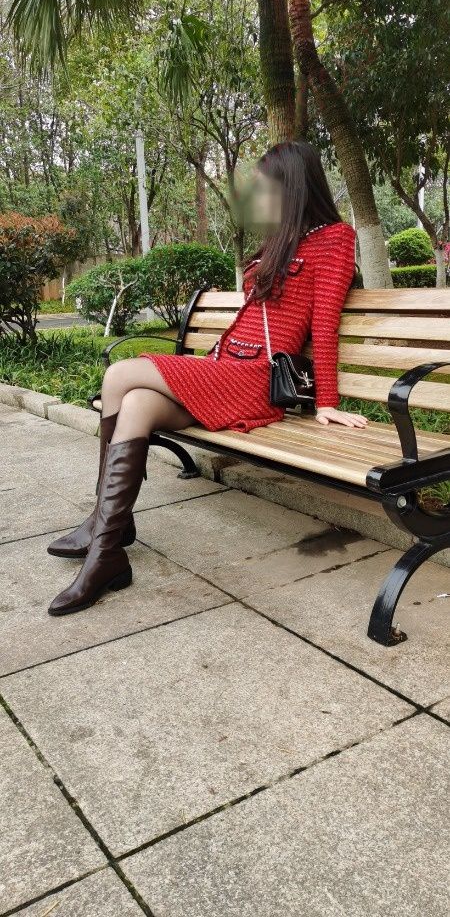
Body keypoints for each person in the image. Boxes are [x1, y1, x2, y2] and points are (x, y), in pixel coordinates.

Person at [47, 140, 368, 616]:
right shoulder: (278, 240)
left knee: (119, 374)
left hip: (256, 379)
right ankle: (109, 549)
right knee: (134, 403)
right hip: (226, 368)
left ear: (293, 185)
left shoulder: (335, 238)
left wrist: (326, 402)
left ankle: (102, 525)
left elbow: (323, 325)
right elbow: (251, 315)